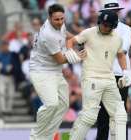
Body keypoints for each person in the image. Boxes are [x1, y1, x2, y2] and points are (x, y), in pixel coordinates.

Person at [67, 10, 131, 140]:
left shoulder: (117, 38)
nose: (104, 27)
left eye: (107, 25)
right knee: (89, 115)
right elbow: (71, 40)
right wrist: (70, 52)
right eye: (102, 24)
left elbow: (120, 55)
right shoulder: (89, 32)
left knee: (119, 115)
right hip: (91, 77)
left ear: (114, 25)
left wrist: (126, 71)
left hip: (109, 78)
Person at [29, 4, 86, 140]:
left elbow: (65, 34)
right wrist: (77, 56)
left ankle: (47, 136)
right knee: (51, 104)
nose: (60, 22)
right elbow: (60, 59)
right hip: (41, 72)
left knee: (63, 105)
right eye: (57, 20)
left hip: (55, 71)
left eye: (62, 19)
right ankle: (36, 136)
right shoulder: (47, 35)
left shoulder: (60, 25)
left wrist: (79, 39)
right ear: (49, 18)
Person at [97, 0, 131, 139]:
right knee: (102, 113)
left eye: (115, 12)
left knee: (120, 113)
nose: (113, 14)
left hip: (119, 75)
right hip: (102, 74)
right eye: (109, 12)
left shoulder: (125, 29)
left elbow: (121, 51)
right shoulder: (96, 31)